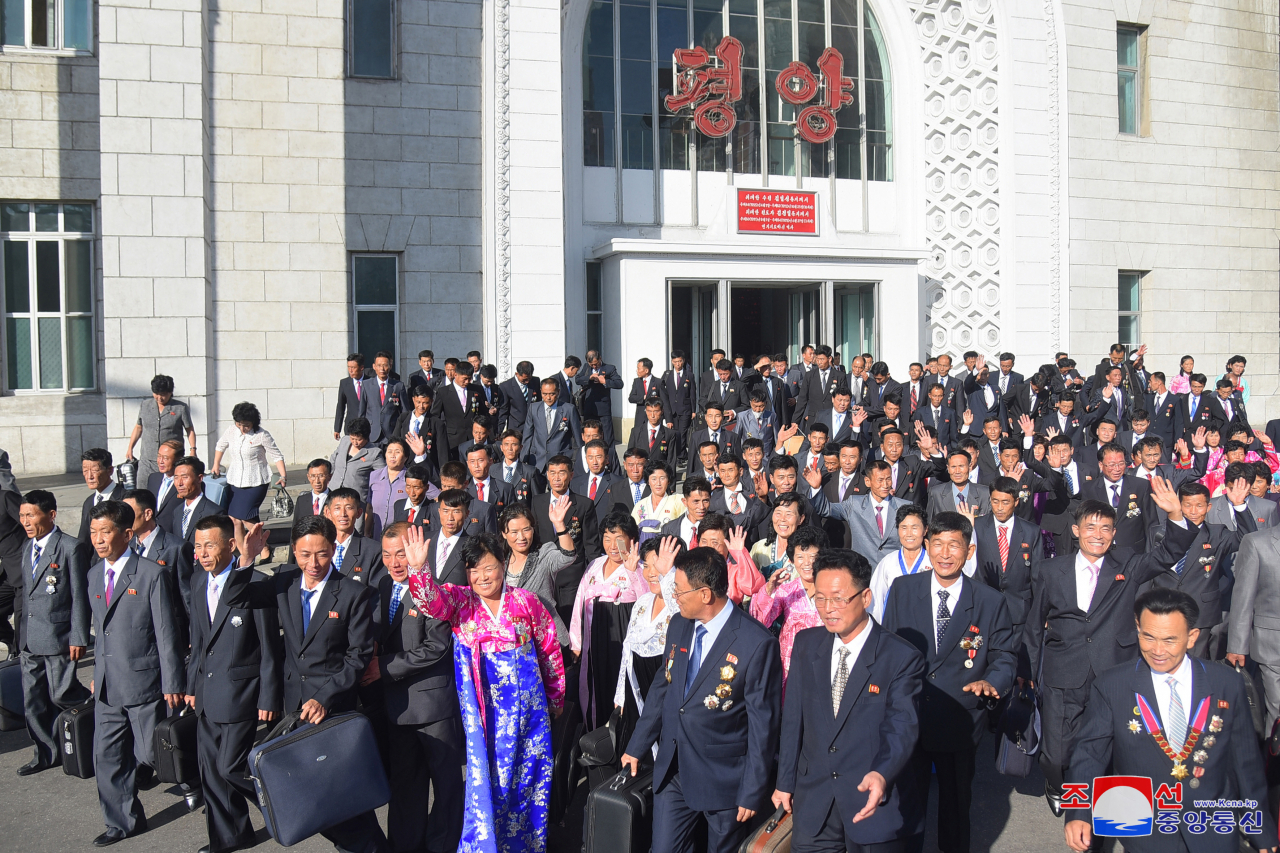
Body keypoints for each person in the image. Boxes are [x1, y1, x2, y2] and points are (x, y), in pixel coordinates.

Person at [1026, 478, 1196, 814]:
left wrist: (1176, 513)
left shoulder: (1128, 566)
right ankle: (1056, 783)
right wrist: (1026, 673)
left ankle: (1090, 800)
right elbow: (1034, 625)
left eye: (1106, 528)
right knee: (1056, 753)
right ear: (1076, 530)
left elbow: (1169, 553)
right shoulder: (1050, 570)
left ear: (1114, 534)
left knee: (1109, 743)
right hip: (1064, 669)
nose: (1098, 534)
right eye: (1091, 527)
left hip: (1113, 668)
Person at [1065, 588, 1280, 853]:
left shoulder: (1226, 683)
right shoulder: (1112, 686)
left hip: (1211, 825)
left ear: (1191, 637)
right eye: (1148, 637)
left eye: (1169, 640)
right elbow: (1089, 754)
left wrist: (1261, 829)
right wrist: (1079, 812)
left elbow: (1246, 763)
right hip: (1144, 828)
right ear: (1138, 629)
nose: (1157, 650)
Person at [220, 515, 386, 853]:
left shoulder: (353, 593)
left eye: (322, 554)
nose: (313, 563)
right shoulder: (284, 583)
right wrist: (247, 559)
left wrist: (326, 697)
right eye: (304, 554)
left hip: (334, 710)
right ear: (293, 552)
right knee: (318, 798)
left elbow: (358, 656)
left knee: (344, 798)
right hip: (294, 709)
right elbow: (236, 598)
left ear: (333, 549)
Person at [403, 526, 565, 853]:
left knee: (529, 783)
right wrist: (419, 571)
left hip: (529, 717)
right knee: (489, 784)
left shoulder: (527, 602)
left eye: (489, 567)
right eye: (473, 570)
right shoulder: (461, 603)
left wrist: (556, 694)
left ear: (503, 564)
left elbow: (549, 650)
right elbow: (430, 602)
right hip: (485, 718)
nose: (481, 576)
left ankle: (528, 846)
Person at [620, 547, 783, 853]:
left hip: (724, 779)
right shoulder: (680, 625)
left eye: (679, 590)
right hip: (675, 769)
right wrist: (637, 744)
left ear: (705, 594)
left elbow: (764, 726)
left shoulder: (757, 644)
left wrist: (752, 790)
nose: (674, 597)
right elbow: (663, 688)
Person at [772, 548, 926, 853]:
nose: (829, 608)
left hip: (870, 802)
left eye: (840, 598)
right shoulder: (807, 643)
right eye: (820, 598)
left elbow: (902, 727)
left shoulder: (901, 657)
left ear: (866, 597)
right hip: (815, 801)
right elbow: (793, 720)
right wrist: (784, 781)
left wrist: (881, 773)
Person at [881, 511, 1017, 853]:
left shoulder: (989, 601)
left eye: (953, 545)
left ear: (969, 551)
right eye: (937, 544)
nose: (944, 553)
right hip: (908, 718)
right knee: (904, 805)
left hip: (960, 719)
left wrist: (992, 681)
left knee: (956, 807)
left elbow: (1004, 655)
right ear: (926, 546)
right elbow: (888, 647)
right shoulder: (903, 589)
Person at [86, 500, 186, 847]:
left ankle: (195, 782)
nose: (98, 539)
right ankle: (123, 822)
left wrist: (173, 682)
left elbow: (165, 632)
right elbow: (102, 630)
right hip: (107, 687)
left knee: (150, 756)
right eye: (94, 532)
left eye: (106, 532)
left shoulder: (151, 574)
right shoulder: (93, 575)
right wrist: (97, 671)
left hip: (145, 682)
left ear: (127, 534)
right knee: (107, 758)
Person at [185, 515, 281, 853]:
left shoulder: (254, 582)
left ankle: (282, 802)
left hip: (242, 694)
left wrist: (268, 696)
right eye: (197, 545)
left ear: (229, 545)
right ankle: (229, 837)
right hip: (207, 695)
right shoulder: (198, 582)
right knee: (211, 773)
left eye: (209, 545)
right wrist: (191, 686)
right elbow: (199, 642)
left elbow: (270, 647)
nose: (202, 552)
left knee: (230, 768)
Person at [370, 523, 464, 853]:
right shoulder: (380, 586)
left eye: (401, 554)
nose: (395, 562)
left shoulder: (431, 590)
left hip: (432, 704)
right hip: (395, 706)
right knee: (406, 786)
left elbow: (436, 646)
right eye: (387, 554)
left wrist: (381, 668)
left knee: (447, 784)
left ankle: (444, 845)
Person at [15, 489, 92, 776]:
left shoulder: (69, 547)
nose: (26, 521)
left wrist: (78, 636)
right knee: (33, 701)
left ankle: (97, 713)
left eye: (31, 515)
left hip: (59, 636)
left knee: (62, 693)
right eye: (22, 515)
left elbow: (79, 596)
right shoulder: (27, 547)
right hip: (29, 638)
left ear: (50, 514)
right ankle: (46, 753)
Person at [570, 511, 645, 729]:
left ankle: (622, 740)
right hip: (594, 639)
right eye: (607, 537)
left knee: (619, 688)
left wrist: (633, 572)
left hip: (622, 638)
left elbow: (646, 602)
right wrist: (576, 643)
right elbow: (579, 603)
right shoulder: (595, 564)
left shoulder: (638, 568)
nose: (612, 545)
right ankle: (596, 739)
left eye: (619, 538)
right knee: (596, 686)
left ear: (632, 540)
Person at [613, 536, 681, 761]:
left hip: (665, 688)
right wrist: (621, 694)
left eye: (659, 565)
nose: (652, 572)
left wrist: (669, 575)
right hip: (635, 686)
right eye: (646, 565)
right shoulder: (642, 602)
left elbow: (678, 615)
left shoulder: (681, 604)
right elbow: (627, 649)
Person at [749, 525, 827, 689]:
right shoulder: (786, 590)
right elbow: (761, 620)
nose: (807, 563)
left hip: (824, 662)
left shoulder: (831, 591)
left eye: (813, 556)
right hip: (790, 666)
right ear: (792, 559)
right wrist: (769, 589)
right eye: (800, 557)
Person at [804, 459, 911, 564]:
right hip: (863, 570)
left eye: (888, 479)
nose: (886, 484)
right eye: (880, 480)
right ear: (867, 482)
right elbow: (826, 509)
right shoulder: (854, 504)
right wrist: (816, 488)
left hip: (894, 570)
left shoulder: (905, 507)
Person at [1227, 514, 1280, 721]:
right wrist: (1237, 646)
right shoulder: (1257, 542)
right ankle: (1273, 753)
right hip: (1273, 645)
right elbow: (1243, 597)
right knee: (1278, 712)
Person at [500, 502, 576, 646]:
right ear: (504, 534)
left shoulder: (544, 554)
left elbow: (568, 556)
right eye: (514, 532)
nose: (521, 537)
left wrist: (559, 524)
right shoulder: (500, 561)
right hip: (513, 639)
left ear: (533, 530)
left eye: (526, 529)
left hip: (547, 637)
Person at [211, 401, 286, 534]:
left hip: (256, 482)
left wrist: (283, 476)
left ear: (253, 422)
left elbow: (277, 456)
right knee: (234, 519)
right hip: (235, 481)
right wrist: (216, 464)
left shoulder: (262, 435)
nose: (242, 428)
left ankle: (264, 547)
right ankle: (245, 550)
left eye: (246, 425)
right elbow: (220, 446)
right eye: (239, 424)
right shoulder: (231, 431)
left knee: (246, 518)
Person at [126, 374, 198, 483]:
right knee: (143, 492)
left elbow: (190, 430)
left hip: (171, 460)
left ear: (170, 392)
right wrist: (130, 448)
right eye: (156, 394)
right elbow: (138, 427)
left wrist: (193, 449)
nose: (159, 398)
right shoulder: (144, 405)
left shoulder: (180, 408)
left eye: (163, 395)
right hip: (147, 460)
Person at [869, 505, 930, 623]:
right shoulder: (888, 562)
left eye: (914, 527)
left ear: (925, 529)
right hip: (893, 625)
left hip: (925, 624)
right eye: (904, 528)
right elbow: (876, 601)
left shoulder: (932, 561)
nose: (909, 534)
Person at [325, 487, 385, 586]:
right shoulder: (319, 546)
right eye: (337, 508)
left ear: (359, 512)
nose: (343, 514)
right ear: (328, 512)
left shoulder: (373, 550)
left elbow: (375, 593)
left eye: (349, 508)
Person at [523, 378, 583, 471]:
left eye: (552, 394)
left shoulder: (569, 409)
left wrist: (576, 459)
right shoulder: (533, 408)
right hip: (537, 461)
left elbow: (577, 438)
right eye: (545, 394)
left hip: (560, 460)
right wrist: (524, 458)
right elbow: (527, 436)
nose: (548, 398)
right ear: (541, 392)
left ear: (558, 392)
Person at [395, 384, 450, 478]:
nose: (421, 406)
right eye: (418, 402)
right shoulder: (403, 418)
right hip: (403, 470)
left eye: (425, 403)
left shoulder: (436, 423)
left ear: (431, 402)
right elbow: (394, 442)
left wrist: (444, 478)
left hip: (426, 471)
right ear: (413, 399)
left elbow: (442, 454)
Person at [749, 492, 807, 580]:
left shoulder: (806, 552)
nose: (782, 519)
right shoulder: (759, 548)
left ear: (801, 519)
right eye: (778, 513)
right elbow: (748, 581)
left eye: (789, 514)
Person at [163, 456, 222, 543]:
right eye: (176, 478)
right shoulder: (177, 511)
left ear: (200, 478)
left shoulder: (214, 513)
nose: (179, 483)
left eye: (185, 477)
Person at [329, 417, 386, 504]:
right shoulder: (344, 441)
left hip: (355, 500)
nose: (355, 443)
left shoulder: (374, 453)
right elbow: (334, 458)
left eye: (359, 440)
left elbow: (383, 476)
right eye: (352, 438)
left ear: (366, 437)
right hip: (334, 492)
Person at [0, 451, 23, 656]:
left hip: (22, 568)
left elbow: (32, 523)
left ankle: (18, 656)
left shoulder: (7, 497)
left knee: (23, 618)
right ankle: (11, 644)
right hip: (4, 572)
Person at [576, 349, 624, 448]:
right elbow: (577, 379)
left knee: (607, 437)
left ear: (600, 359)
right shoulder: (586, 368)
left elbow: (619, 384)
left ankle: (610, 460)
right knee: (590, 436)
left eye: (596, 364)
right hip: (589, 407)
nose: (594, 366)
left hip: (603, 410)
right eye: (591, 364)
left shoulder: (610, 368)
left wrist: (605, 381)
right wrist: (589, 378)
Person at [359, 351, 407, 447]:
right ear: (374, 366)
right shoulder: (366, 385)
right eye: (379, 365)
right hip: (372, 434)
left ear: (390, 366)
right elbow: (362, 412)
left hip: (391, 433)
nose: (382, 369)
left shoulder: (398, 386)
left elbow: (404, 411)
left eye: (385, 365)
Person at [631, 459, 685, 541]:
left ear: (668, 481)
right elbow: (632, 530)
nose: (658, 483)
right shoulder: (640, 505)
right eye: (654, 479)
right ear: (648, 481)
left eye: (662, 478)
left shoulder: (677, 501)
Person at [78, 447, 124, 543]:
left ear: (110, 470)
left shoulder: (124, 498)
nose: (89, 476)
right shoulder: (88, 502)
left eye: (95, 470)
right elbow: (84, 539)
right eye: (85, 470)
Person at [660, 351, 699, 464]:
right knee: (674, 433)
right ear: (672, 362)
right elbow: (663, 393)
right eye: (675, 361)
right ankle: (680, 454)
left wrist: (693, 410)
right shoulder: (667, 375)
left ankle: (680, 456)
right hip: (672, 410)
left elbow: (693, 393)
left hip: (685, 409)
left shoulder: (689, 375)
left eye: (680, 361)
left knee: (682, 433)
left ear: (683, 361)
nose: (678, 364)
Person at [146, 439, 185, 528]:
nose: (161, 461)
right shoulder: (153, 478)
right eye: (159, 456)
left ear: (178, 459)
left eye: (166, 458)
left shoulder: (186, 482)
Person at [499, 361, 539, 435]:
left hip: (533, 428)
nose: (527, 382)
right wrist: (499, 431)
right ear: (517, 374)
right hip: (516, 429)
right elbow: (503, 410)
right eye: (524, 379)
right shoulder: (506, 386)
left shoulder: (536, 382)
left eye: (529, 379)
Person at [295, 458, 333, 527]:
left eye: (321, 476)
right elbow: (295, 528)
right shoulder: (302, 500)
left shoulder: (335, 500)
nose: (317, 481)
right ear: (308, 477)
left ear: (329, 477)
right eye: (313, 476)